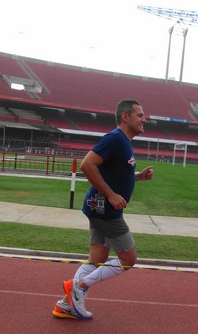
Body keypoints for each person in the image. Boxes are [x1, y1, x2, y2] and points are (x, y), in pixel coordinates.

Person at [53, 99, 154, 320]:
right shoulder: (115, 138)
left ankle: (65, 304)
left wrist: (138, 177)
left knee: (97, 258)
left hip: (98, 208)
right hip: (106, 210)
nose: (144, 119)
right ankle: (77, 287)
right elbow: (87, 165)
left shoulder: (124, 141)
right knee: (129, 259)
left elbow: (114, 173)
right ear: (125, 117)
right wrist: (110, 194)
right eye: (140, 115)